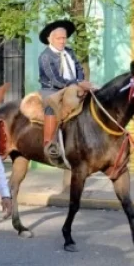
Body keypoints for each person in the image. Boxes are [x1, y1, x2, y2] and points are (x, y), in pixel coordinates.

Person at [38, 19, 93, 163]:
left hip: (73, 87)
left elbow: (79, 69)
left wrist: (80, 82)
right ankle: (49, 143)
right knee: (51, 105)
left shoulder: (69, 52)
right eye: (59, 38)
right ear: (50, 39)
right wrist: (75, 83)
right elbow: (55, 80)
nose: (62, 41)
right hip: (52, 89)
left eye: (64, 38)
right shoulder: (45, 56)